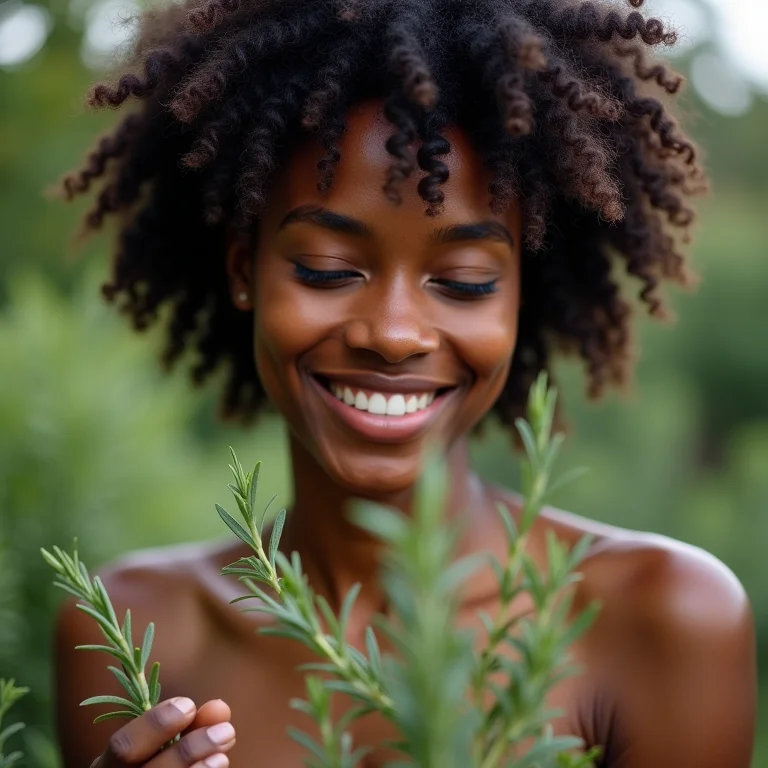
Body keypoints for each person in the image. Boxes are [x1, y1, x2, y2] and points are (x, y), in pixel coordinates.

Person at [54, 0, 756, 766]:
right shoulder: (130, 630)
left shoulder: (663, 619)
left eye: (463, 281)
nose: (393, 333)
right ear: (241, 268)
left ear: (523, 293)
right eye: (327, 269)